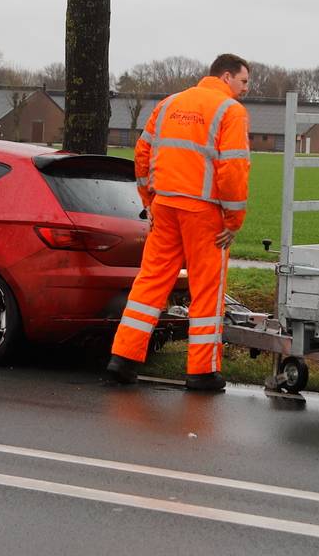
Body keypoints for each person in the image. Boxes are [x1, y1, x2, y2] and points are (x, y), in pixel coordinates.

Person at [106, 54, 252, 392]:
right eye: (244, 82)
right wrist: (233, 219)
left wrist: (148, 201)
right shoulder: (230, 111)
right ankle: (202, 372)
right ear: (227, 77)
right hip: (205, 213)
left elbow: (142, 154)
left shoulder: (170, 104)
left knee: (150, 283)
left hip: (166, 206)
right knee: (206, 289)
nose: (245, 89)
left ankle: (123, 359)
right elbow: (233, 170)